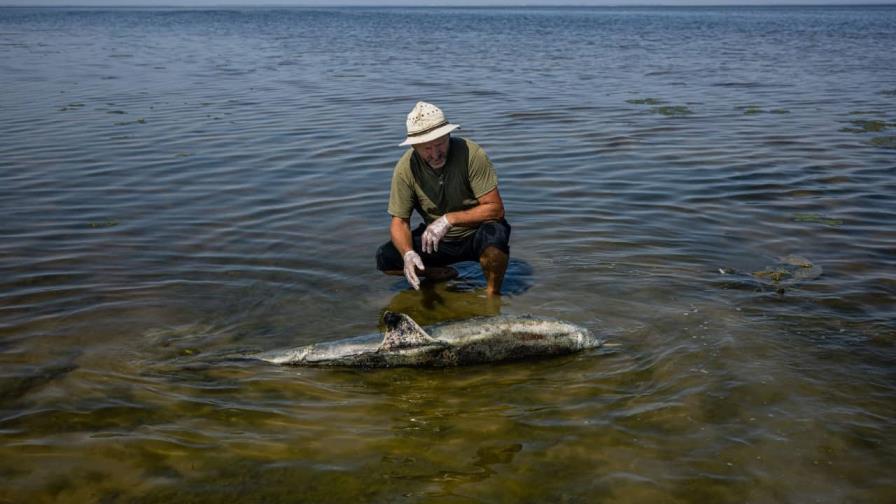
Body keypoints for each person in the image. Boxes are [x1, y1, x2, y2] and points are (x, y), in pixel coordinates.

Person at [375, 101, 511, 295]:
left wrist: (449, 219)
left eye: (440, 144)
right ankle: (439, 273)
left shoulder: (471, 154)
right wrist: (408, 253)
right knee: (385, 258)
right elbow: (399, 222)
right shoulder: (405, 169)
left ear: (449, 135)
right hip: (435, 240)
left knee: (495, 240)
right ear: (414, 146)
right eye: (427, 149)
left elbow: (496, 209)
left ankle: (492, 295)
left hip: (475, 233)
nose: (436, 154)